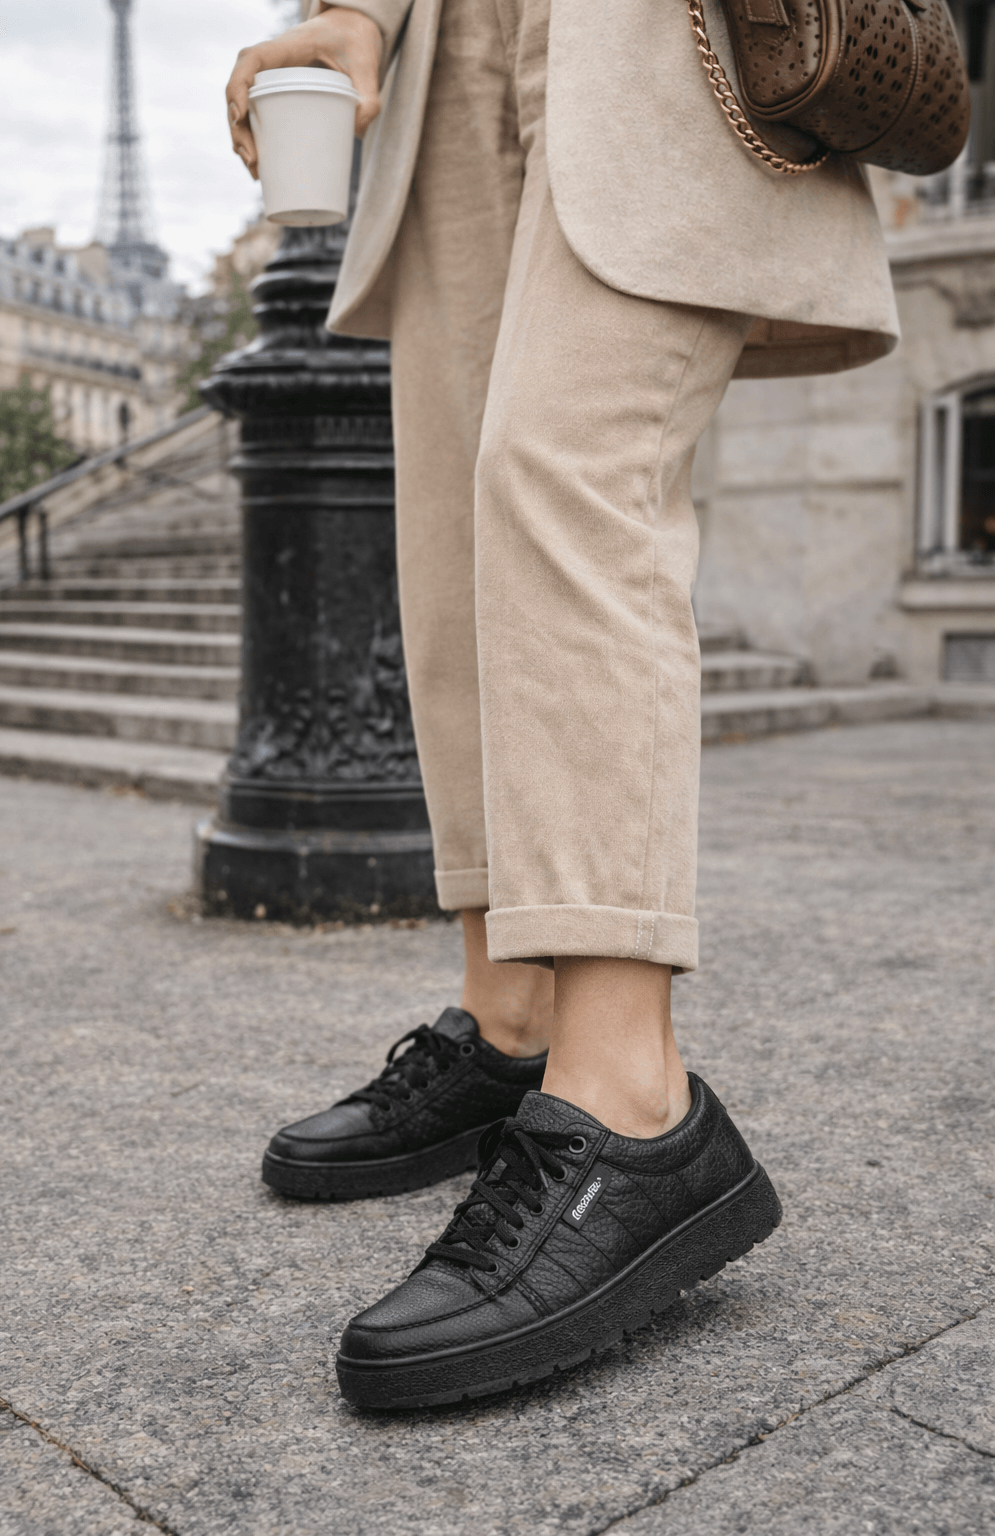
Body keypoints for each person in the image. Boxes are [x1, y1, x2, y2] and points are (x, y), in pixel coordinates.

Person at [226, 0, 898, 1408]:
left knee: (567, 471)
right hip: (456, 36)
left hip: (671, 28)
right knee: (462, 527)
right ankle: (515, 1011)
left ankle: (632, 1101)